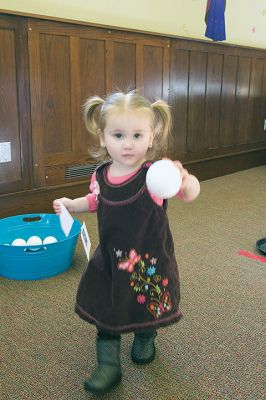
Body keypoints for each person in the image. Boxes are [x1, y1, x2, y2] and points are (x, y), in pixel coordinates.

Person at [53, 91, 200, 396]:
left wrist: (186, 181)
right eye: (118, 135)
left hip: (148, 260)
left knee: (145, 302)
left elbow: (189, 194)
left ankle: (146, 335)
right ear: (103, 136)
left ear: (151, 137)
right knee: (107, 307)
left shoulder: (155, 175)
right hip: (110, 259)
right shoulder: (100, 174)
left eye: (137, 135)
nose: (128, 143)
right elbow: (95, 201)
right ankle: (108, 365)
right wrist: (72, 204)